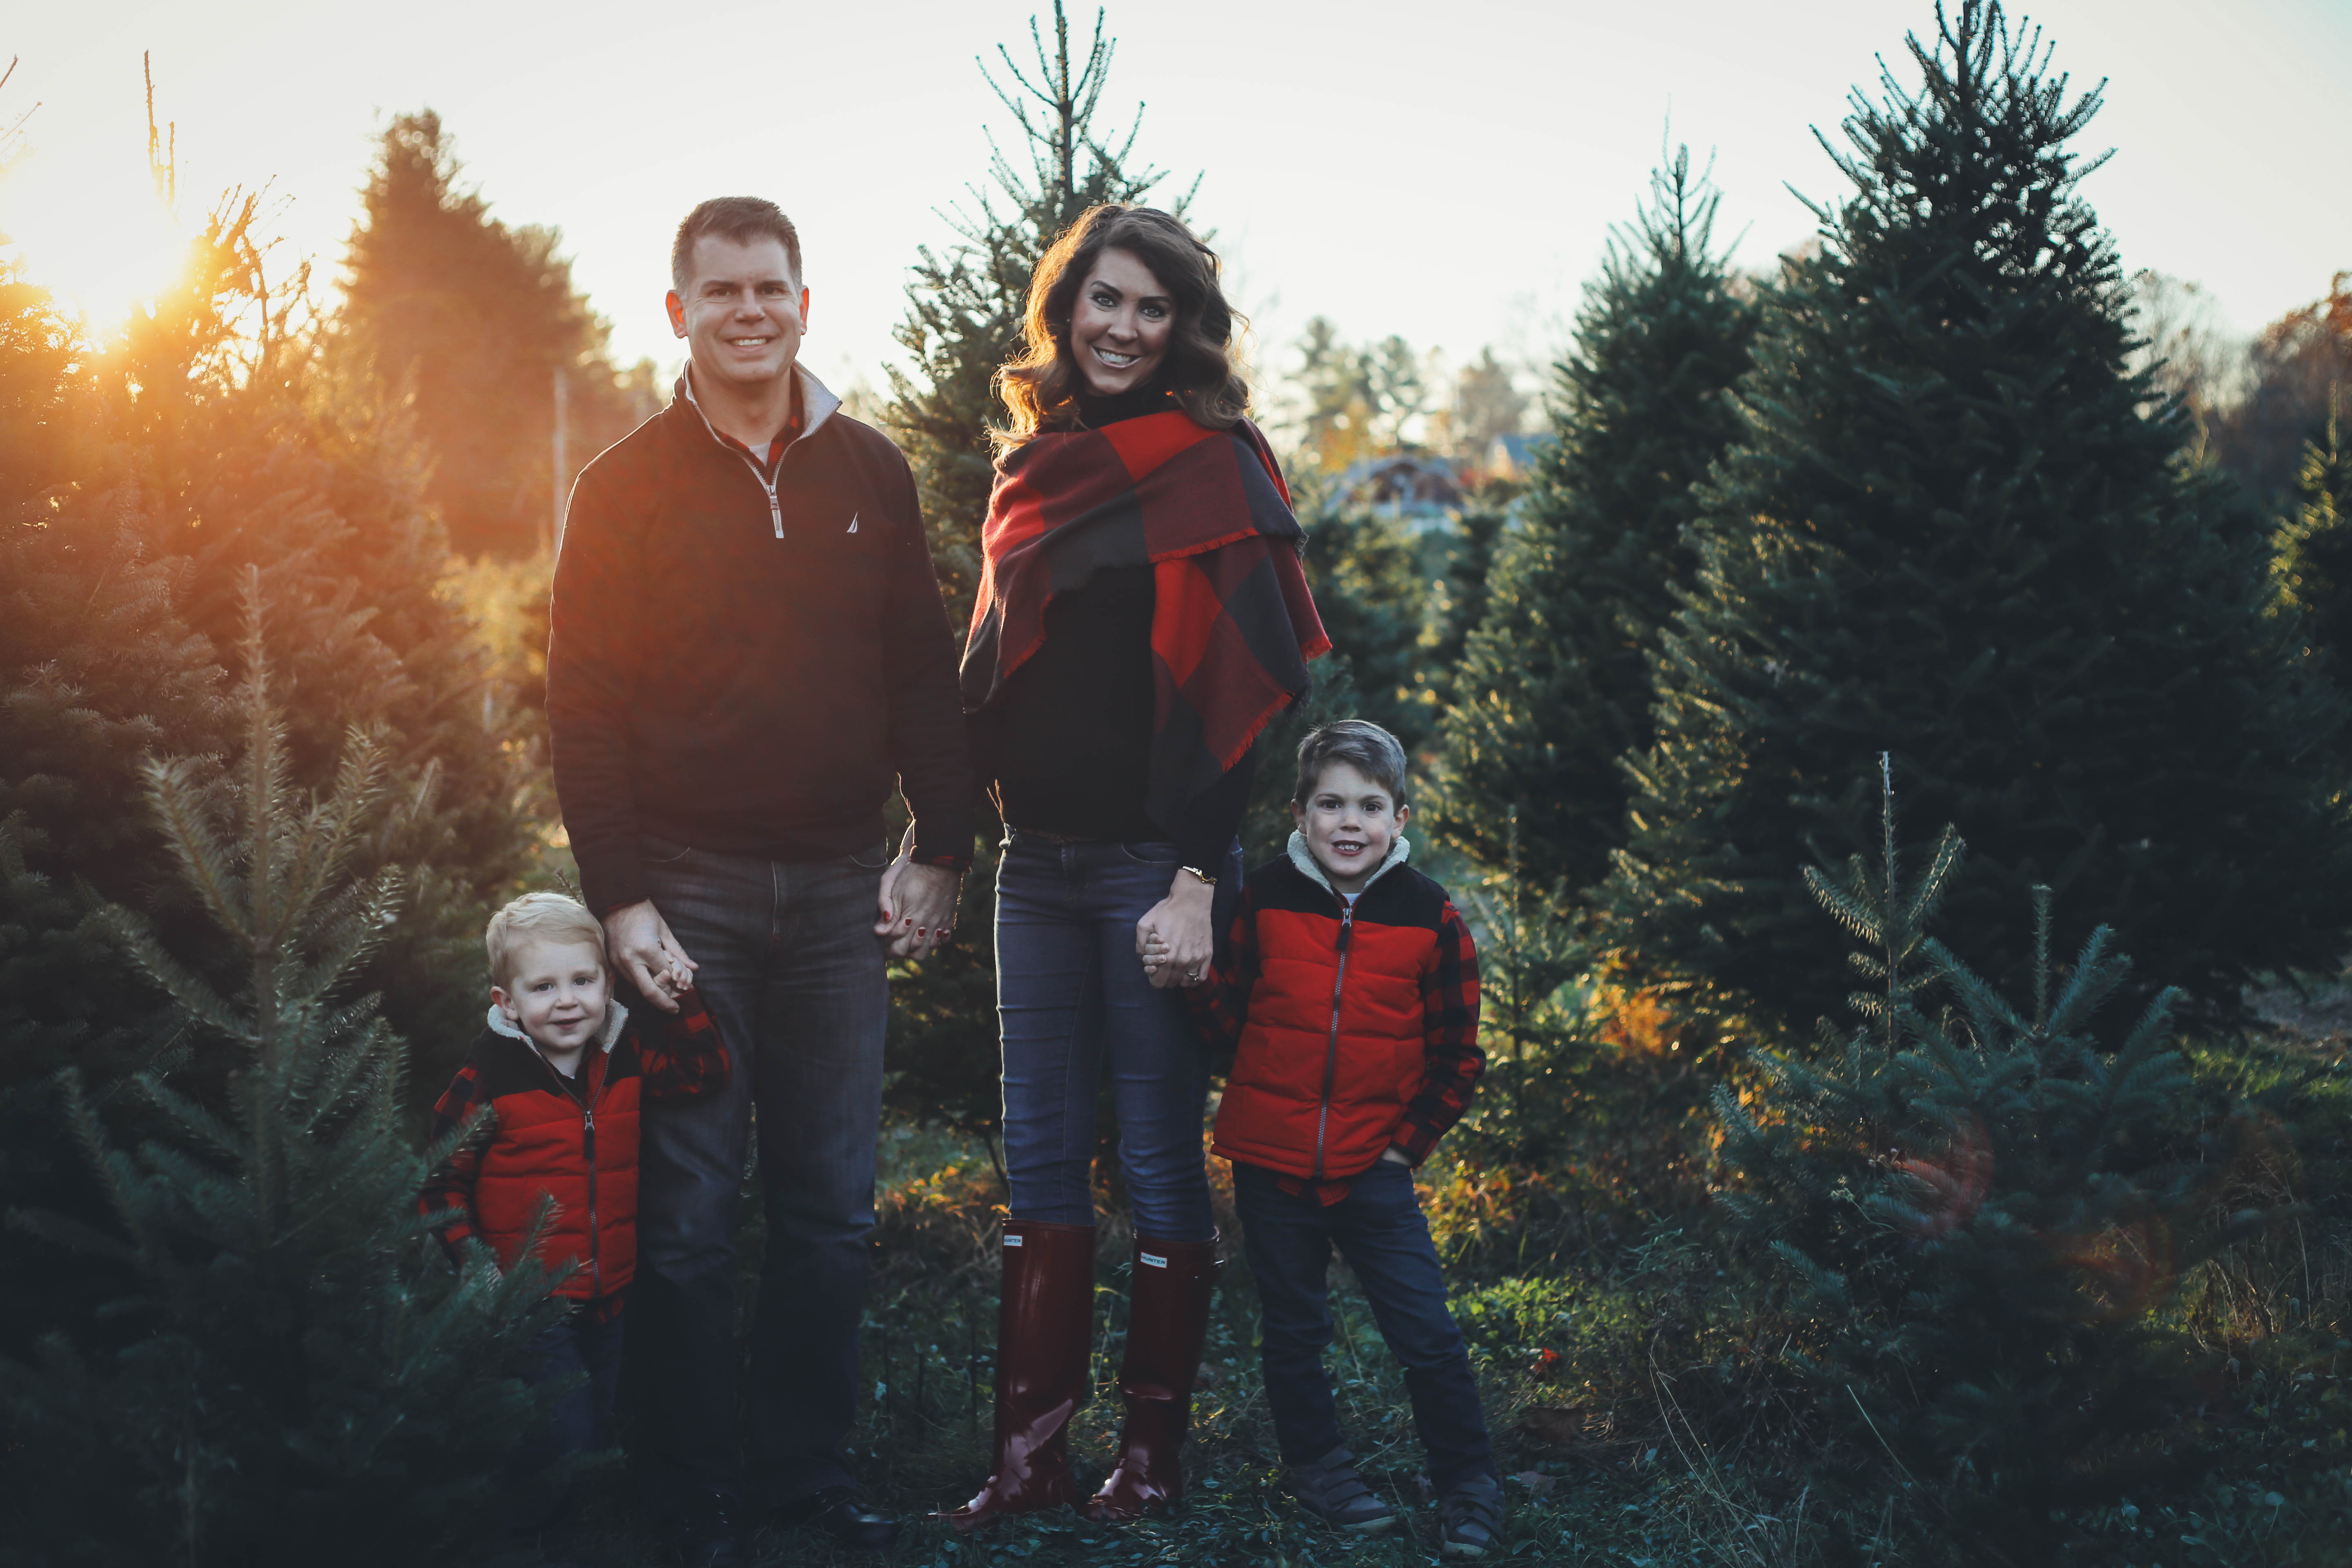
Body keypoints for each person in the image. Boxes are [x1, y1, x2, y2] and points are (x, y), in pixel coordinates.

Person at [546, 196, 973, 1564]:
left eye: (770, 288)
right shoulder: (622, 490)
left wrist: (943, 847)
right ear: (679, 313)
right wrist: (621, 900)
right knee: (681, 1220)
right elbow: (583, 708)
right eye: (720, 291)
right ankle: (683, 1487)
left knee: (830, 1213)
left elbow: (920, 672)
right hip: (692, 896)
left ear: (805, 303)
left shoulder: (871, 472)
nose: (749, 310)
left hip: (848, 893)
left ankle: (803, 1476)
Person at [951, 203, 1330, 1529]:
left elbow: (1239, 695)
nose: (1120, 328)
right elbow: (987, 672)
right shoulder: (1037, 465)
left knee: (1163, 1166)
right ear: (1066, 310)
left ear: (1184, 327)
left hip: (1145, 873)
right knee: (1041, 1165)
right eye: (1101, 302)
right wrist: (932, 837)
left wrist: (1194, 880)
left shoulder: (1217, 469)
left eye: (1149, 308)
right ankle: (1028, 1464)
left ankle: (1151, 1465)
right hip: (1031, 870)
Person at [1178, 720, 1503, 1556]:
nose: (1348, 822)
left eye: (1369, 806)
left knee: (1426, 1332)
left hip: (1374, 1170)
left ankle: (1469, 1482)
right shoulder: (1268, 902)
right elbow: (1228, 1019)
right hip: (1271, 1164)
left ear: (1400, 817)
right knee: (1293, 1329)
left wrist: (1405, 1147)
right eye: (1330, 804)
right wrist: (1187, 976)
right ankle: (1319, 1469)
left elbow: (1458, 1053)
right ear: (1299, 813)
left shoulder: (1431, 916)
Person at [419, 892, 731, 1568]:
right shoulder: (490, 1077)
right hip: (530, 1298)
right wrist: (476, 1268)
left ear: (608, 983)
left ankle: (546, 1517)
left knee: (591, 1419)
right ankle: (530, 1539)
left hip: (612, 1289)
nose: (568, 1002)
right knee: (560, 1431)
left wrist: (686, 1002)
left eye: (582, 981)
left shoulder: (621, 1057)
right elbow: (438, 1181)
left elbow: (705, 1073)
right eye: (544, 987)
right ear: (507, 1002)